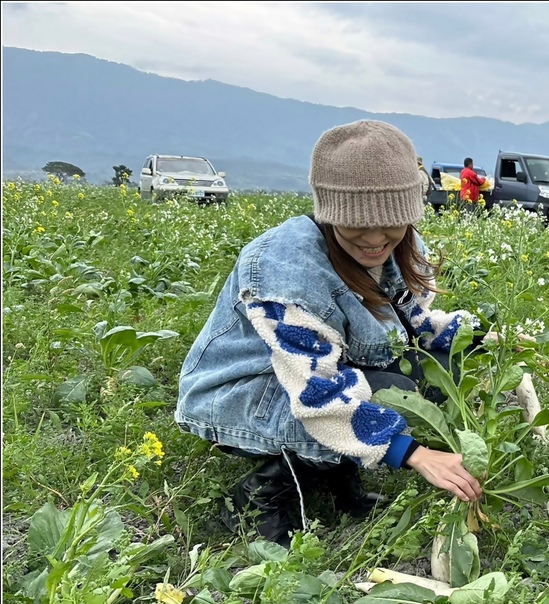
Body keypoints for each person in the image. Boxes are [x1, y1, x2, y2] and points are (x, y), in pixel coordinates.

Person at [174, 120, 483, 547]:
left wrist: (482, 337)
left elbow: (409, 327)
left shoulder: (398, 249)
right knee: (390, 389)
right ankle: (260, 497)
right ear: (328, 211)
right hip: (242, 393)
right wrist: (413, 453)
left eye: (390, 223)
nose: (375, 239)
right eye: (356, 223)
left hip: (309, 376)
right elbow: (317, 393)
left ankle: (337, 476)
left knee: (435, 369)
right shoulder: (287, 270)